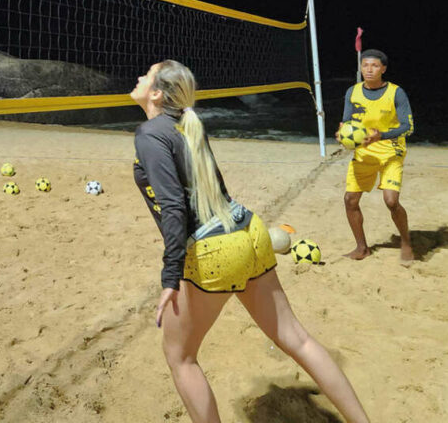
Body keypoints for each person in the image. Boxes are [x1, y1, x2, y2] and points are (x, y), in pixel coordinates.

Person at [131, 60, 370, 423]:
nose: (139, 77)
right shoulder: (189, 122)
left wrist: (170, 277)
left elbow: (174, 207)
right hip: (248, 230)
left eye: (147, 75)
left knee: (181, 358)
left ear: (157, 93)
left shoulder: (150, 134)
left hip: (213, 251)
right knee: (299, 340)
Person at [339, 48, 415, 264]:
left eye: (374, 66)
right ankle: (362, 248)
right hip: (364, 152)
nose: (369, 69)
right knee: (350, 200)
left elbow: (408, 127)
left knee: (391, 201)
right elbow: (347, 122)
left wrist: (381, 135)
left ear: (383, 69)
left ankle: (406, 242)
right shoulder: (352, 92)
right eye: (365, 65)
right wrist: (342, 134)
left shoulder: (396, 92)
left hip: (391, 151)